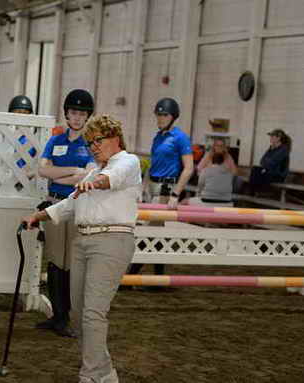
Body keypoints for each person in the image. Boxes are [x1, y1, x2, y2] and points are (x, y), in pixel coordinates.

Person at [23, 114, 141, 383]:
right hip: (83, 240)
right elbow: (69, 205)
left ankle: (89, 376)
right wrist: (37, 216)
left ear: (115, 137)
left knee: (93, 312)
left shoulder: (128, 162)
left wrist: (93, 182)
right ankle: (104, 372)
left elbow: (112, 179)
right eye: (90, 142)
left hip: (112, 240)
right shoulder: (92, 170)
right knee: (77, 314)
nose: (93, 146)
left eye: (98, 140)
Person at [35, 89, 95, 337]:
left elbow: (89, 174)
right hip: (53, 203)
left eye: (81, 113)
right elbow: (42, 171)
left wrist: (60, 172)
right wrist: (73, 171)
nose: (77, 117)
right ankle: (57, 315)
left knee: (70, 262)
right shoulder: (55, 140)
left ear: (87, 116)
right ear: (67, 114)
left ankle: (67, 316)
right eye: (73, 112)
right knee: (54, 260)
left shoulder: (90, 143)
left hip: (75, 205)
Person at [133, 97, 194, 277]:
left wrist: (176, 194)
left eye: (164, 115)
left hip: (166, 187)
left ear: (173, 117)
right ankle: (159, 276)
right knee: (155, 231)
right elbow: (152, 164)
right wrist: (142, 187)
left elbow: (189, 168)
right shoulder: (158, 137)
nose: (160, 118)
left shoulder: (181, 138)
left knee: (150, 229)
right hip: (152, 184)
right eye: (158, 115)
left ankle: (132, 274)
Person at [249, 129, 291, 194]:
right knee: (255, 169)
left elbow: (272, 163)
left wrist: (267, 161)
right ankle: (253, 193)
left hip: (278, 176)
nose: (270, 138)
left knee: (259, 174)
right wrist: (267, 160)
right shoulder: (271, 148)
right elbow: (262, 161)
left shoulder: (283, 149)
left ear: (278, 138)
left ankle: (258, 193)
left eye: (272, 136)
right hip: (270, 172)